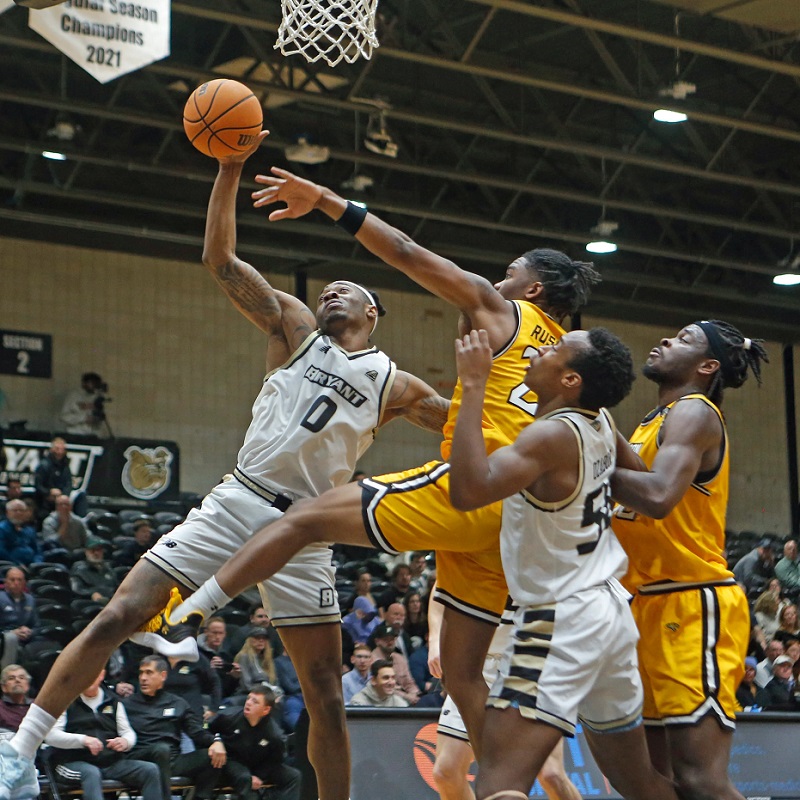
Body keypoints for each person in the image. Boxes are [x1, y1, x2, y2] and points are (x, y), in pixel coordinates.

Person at [157, 166, 601, 759]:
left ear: (534, 289)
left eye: (510, 272)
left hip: (475, 491)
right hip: (527, 527)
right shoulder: (566, 364)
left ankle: (191, 614)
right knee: (465, 677)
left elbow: (408, 252)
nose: (499, 279)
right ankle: (501, 781)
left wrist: (327, 202)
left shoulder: (504, 314)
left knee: (304, 518)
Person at [447, 327, 679, 800]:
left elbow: (468, 491)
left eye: (554, 350)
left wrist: (473, 385)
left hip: (559, 617)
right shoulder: (599, 421)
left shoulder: (550, 436)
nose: (539, 351)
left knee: (497, 780)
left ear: (571, 380)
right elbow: (645, 489)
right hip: (609, 613)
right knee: (641, 784)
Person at [611, 320, 768, 800]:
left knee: (701, 781)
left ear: (708, 366)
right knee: (662, 785)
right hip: (644, 605)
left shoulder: (696, 412)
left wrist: (580, 455)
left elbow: (657, 496)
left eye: (683, 339)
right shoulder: (650, 422)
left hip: (690, 602)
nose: (663, 340)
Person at [428, 592, 580, 800]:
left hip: (532, 660)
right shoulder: (472, 559)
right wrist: (435, 637)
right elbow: (441, 587)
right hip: (480, 666)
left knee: (551, 774)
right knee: (446, 772)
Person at [43, 669, 162, 800]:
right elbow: (50, 736)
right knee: (92, 773)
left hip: (110, 763)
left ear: (101, 675)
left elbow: (128, 732)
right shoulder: (65, 701)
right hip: (72, 762)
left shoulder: (113, 701)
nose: (87, 679)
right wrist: (83, 740)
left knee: (150, 770)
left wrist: (125, 742)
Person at [123, 656, 226, 800]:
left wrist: (216, 741)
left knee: (213, 756)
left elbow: (196, 732)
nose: (143, 678)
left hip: (172, 760)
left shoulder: (177, 703)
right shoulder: (127, 704)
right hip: (140, 759)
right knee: (161, 749)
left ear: (163, 675)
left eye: (149, 672)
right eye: (141, 673)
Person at [209, 687, 301, 800]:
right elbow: (205, 729)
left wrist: (260, 775)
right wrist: (216, 741)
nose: (248, 703)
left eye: (255, 701)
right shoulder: (228, 716)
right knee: (245, 778)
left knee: (294, 776)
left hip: (259, 765)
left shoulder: (274, 734)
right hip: (232, 760)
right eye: (249, 698)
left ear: (266, 710)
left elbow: (276, 758)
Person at [368, 622, 419, 705]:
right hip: (382, 700)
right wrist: (406, 696)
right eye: (386, 639)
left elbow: (409, 681)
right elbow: (380, 687)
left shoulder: (400, 658)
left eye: (392, 639)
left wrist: (414, 694)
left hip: (407, 698)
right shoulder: (371, 660)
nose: (390, 642)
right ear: (377, 641)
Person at [0, 568, 40, 669]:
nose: (16, 583)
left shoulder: (30, 599)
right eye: (12, 580)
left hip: (25, 639)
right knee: (11, 638)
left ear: (24, 583)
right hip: (4, 637)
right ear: (5, 582)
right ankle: (6, 675)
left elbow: (36, 625)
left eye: (19, 580)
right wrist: (12, 632)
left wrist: (30, 632)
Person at [33, 437, 75, 520]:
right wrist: (49, 492)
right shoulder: (43, 465)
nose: (59, 452)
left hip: (60, 503)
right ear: (51, 449)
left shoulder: (66, 467)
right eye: (57, 449)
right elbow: (38, 485)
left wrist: (62, 496)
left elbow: (68, 484)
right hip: (44, 503)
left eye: (62, 449)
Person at [70, 537, 118, 604]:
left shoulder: (109, 569)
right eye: (92, 550)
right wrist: (92, 594)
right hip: (90, 604)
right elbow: (76, 589)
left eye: (99, 550)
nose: (96, 553)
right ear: (86, 552)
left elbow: (116, 588)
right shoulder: (79, 569)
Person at [233, 626, 280, 695]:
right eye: (257, 638)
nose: (261, 640)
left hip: (267, 695)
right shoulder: (244, 657)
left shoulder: (267, 659)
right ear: (250, 640)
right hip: (249, 695)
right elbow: (246, 685)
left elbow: (275, 681)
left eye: (264, 638)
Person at [0, 501, 41, 567]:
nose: (18, 513)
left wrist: (37, 563)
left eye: (21, 510)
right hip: (9, 565)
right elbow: (1, 551)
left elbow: (37, 550)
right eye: (15, 510)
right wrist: (18, 564)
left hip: (31, 565)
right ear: (7, 513)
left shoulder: (30, 530)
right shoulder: (2, 529)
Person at [0, 665, 32, 737]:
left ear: (27, 685)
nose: (17, 680)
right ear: (4, 687)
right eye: (11, 678)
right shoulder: (1, 707)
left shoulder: (37, 705)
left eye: (21, 678)